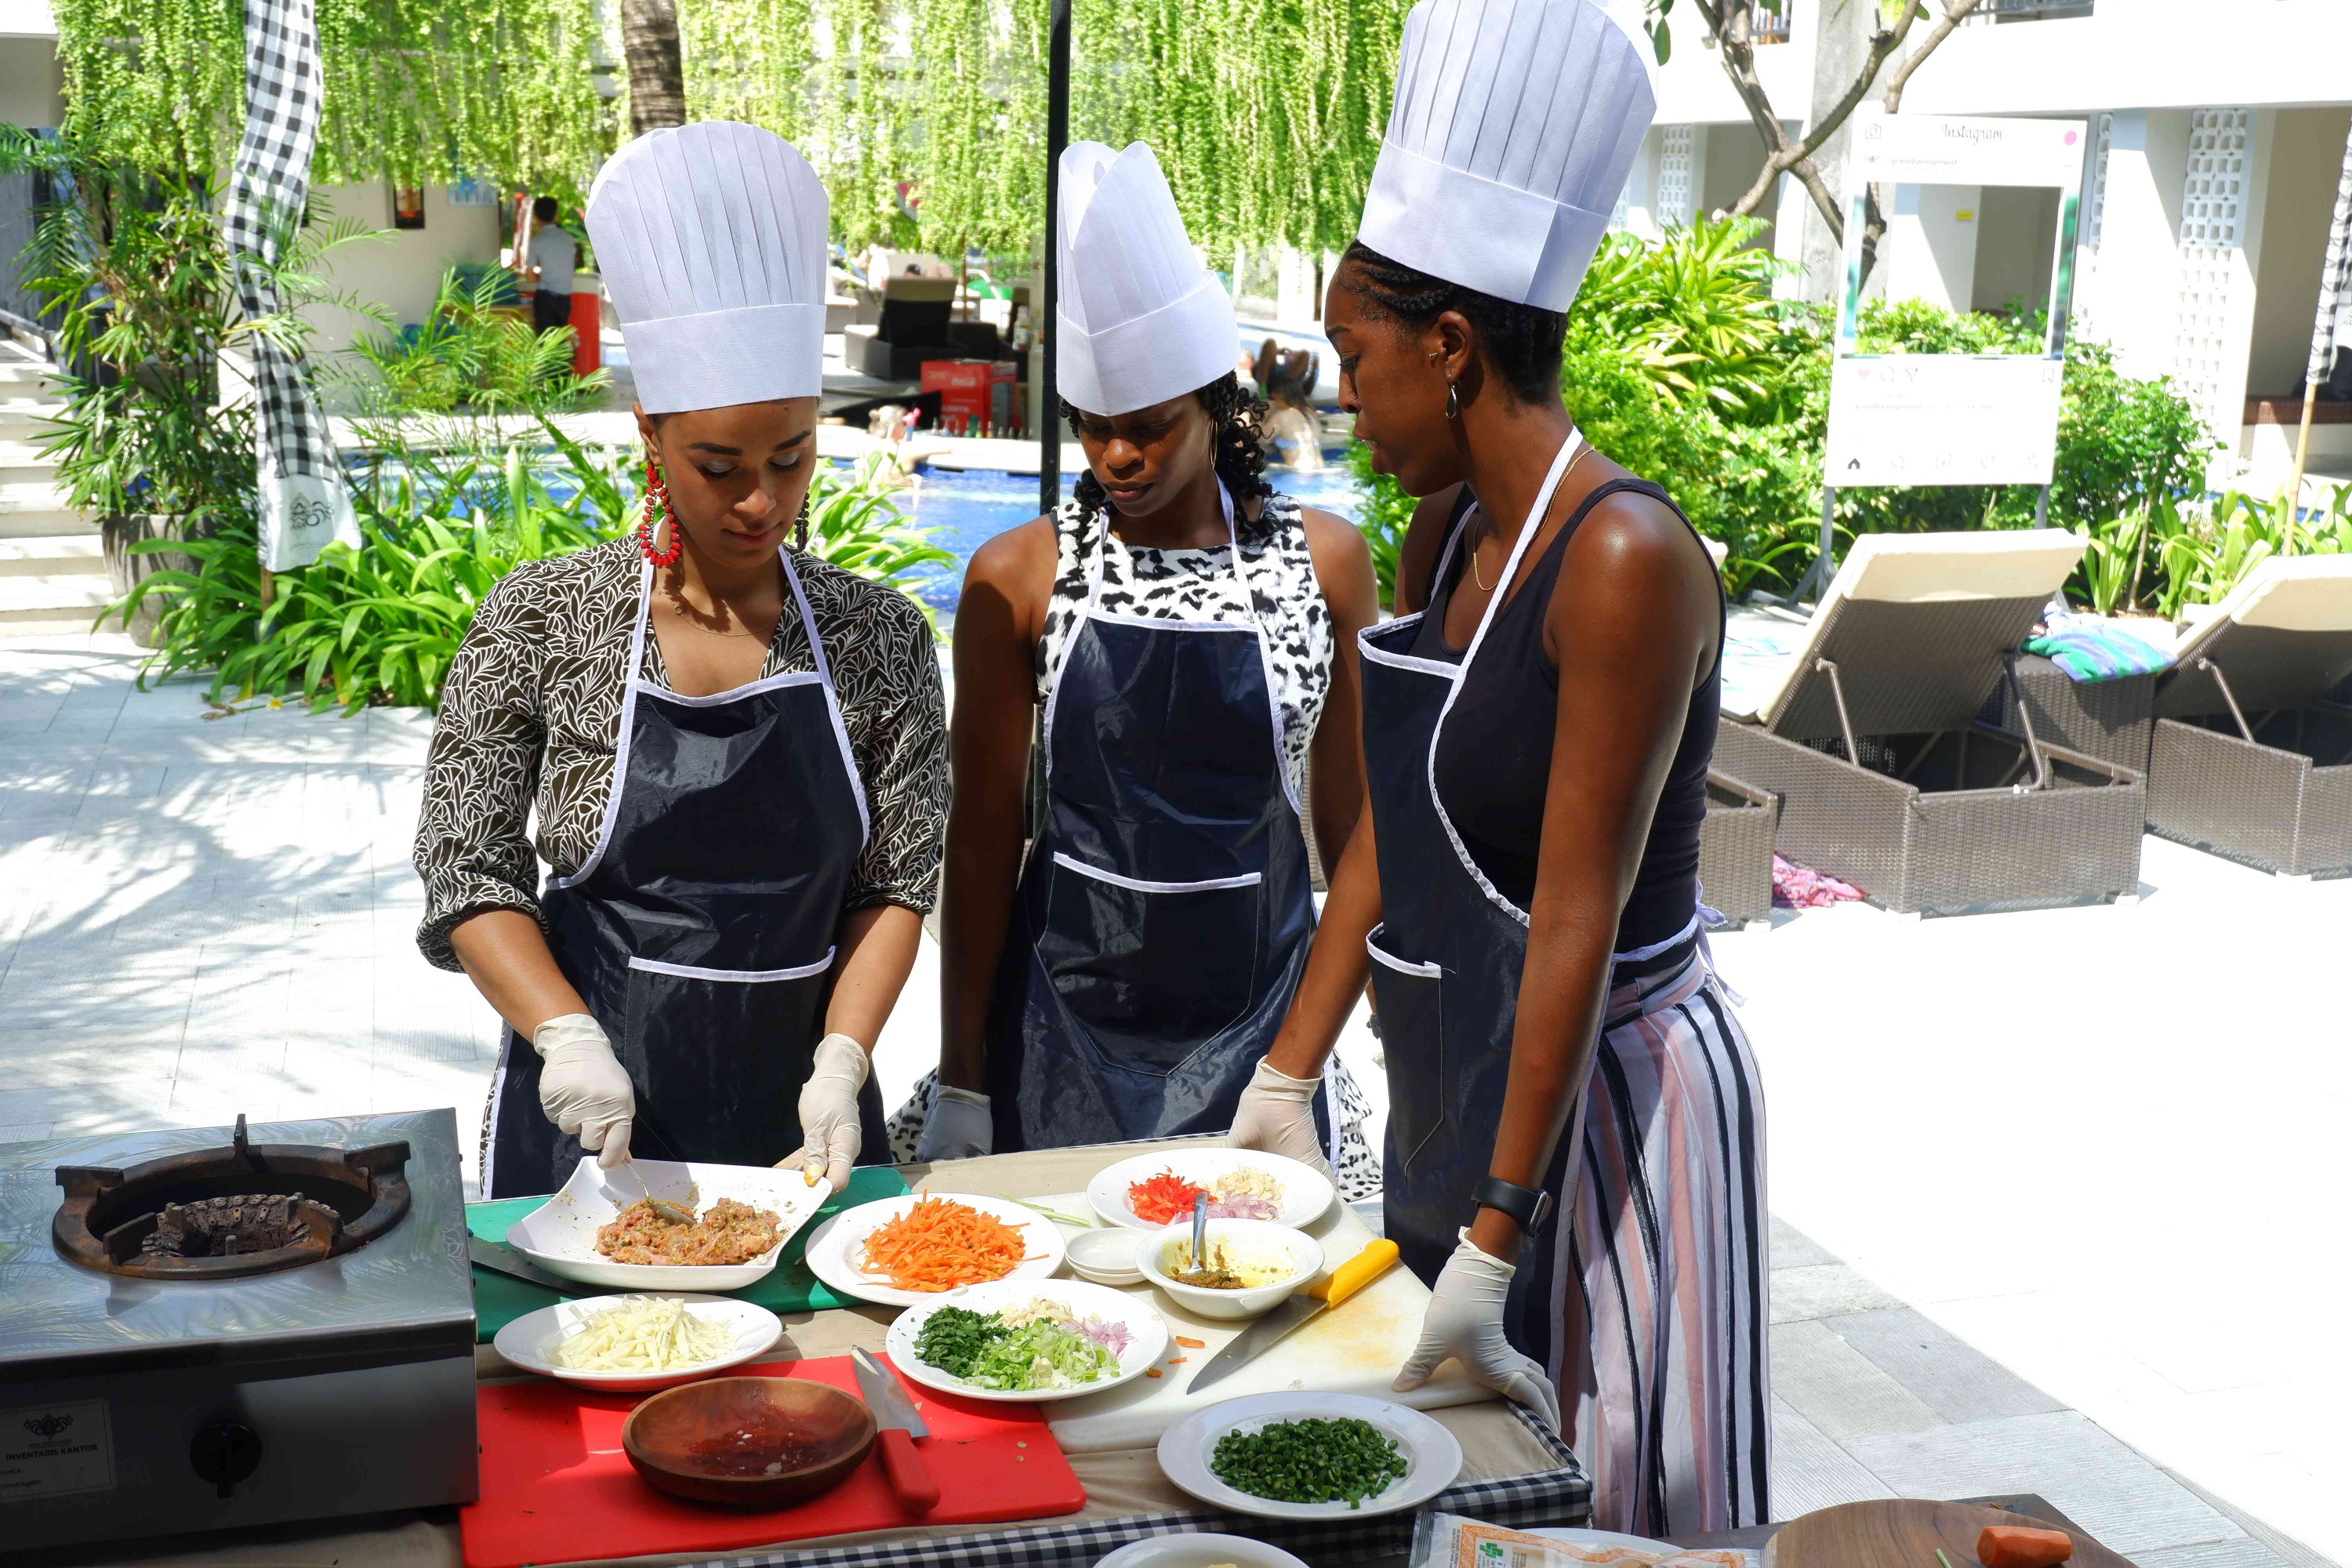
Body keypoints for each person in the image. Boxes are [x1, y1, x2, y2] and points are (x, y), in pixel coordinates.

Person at [1228, 0, 1769, 1537]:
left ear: (1451, 346)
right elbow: (1394, 831)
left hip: (1622, 1093)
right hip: (1494, 1072)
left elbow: (1577, 920)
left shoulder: (1623, 560)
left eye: (1355, 356)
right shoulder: (1445, 529)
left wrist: (1493, 1231)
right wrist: (1287, 1066)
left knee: (1605, 1494)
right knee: (1469, 1499)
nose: (1342, 397)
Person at [416, 123, 948, 1200]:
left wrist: (843, 1063)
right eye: (720, 467)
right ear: (651, 434)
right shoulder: (543, 618)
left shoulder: (880, 637)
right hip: (592, 1117)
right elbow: (466, 866)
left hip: (804, 1115)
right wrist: (564, 1039)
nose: (761, 501)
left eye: (790, 458)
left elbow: (896, 881)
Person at [891, 143, 1384, 1191]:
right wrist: (964, 1081)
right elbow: (981, 841)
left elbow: (1349, 830)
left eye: (1151, 429)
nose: (1120, 457)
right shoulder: (1021, 577)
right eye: (1095, 430)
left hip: (1262, 1038)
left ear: (1216, 406)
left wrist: (1384, 1035)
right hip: (1054, 1038)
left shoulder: (1325, 567)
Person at [522, 194, 577, 340]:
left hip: (545, 299)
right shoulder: (568, 239)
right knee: (559, 343)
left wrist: (541, 276)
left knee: (545, 345)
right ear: (555, 215)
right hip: (565, 300)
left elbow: (529, 277)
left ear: (536, 217)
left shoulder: (537, 241)